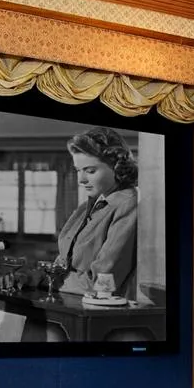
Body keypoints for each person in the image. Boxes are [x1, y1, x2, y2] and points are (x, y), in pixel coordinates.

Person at [52, 126, 141, 300]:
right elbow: (62, 261)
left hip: (96, 310)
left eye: (90, 171)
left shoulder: (127, 205)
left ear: (117, 167)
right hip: (70, 302)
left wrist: (50, 281)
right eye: (78, 170)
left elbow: (103, 283)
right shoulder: (89, 205)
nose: (81, 179)